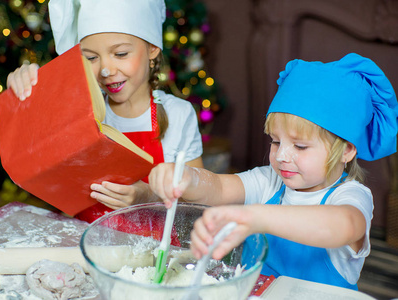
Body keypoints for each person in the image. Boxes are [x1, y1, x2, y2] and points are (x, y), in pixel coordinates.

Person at [149, 53, 398, 289]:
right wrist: (185, 177)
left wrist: (255, 217)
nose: (281, 156)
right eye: (276, 141)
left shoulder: (350, 196)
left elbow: (343, 226)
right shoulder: (270, 181)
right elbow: (219, 187)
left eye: (300, 146)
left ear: (346, 151)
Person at [0, 0, 203, 222]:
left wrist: (147, 197)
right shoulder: (77, 106)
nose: (106, 70)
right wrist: (22, 95)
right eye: (91, 57)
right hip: (82, 243)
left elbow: (197, 204)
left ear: (152, 49)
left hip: (152, 251)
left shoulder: (179, 114)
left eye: (120, 54)